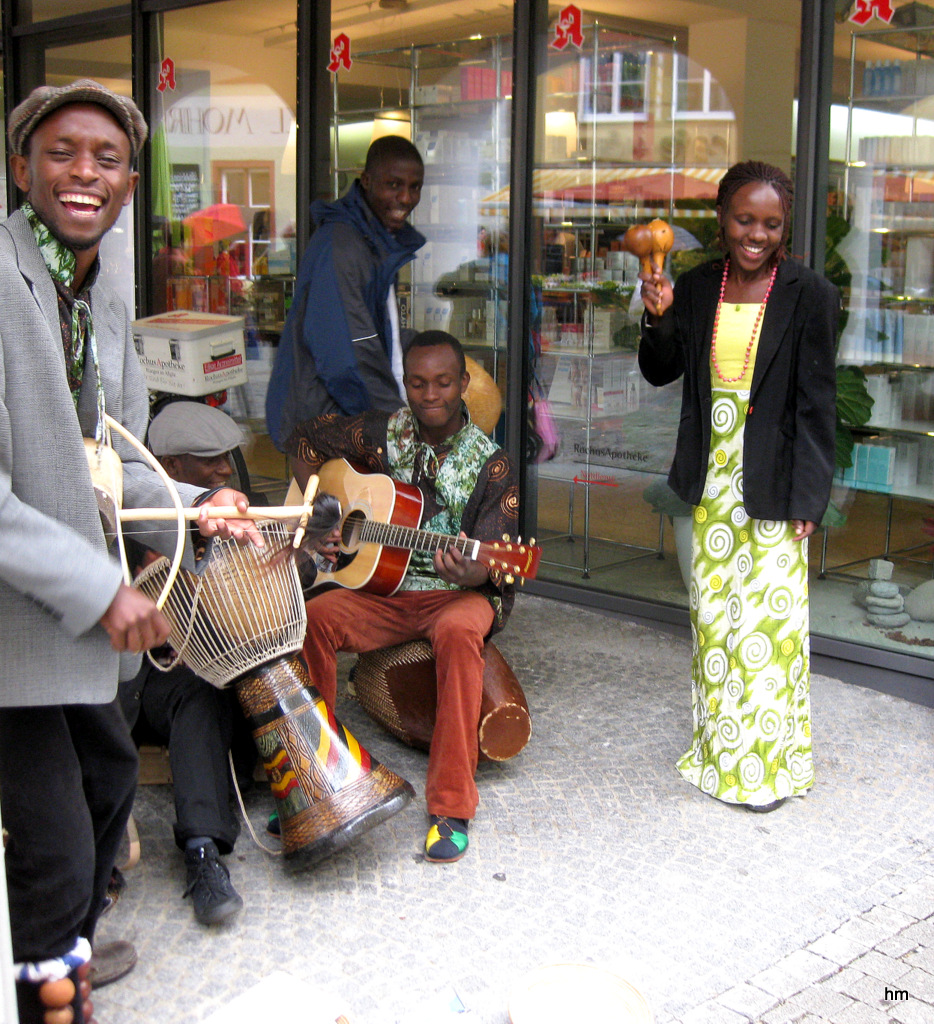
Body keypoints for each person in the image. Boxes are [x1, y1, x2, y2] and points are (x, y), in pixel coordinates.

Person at [0, 80, 261, 1024]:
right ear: (23, 166)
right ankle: (49, 985)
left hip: (70, 621)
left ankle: (56, 945)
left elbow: (114, 455)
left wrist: (199, 506)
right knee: (57, 844)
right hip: (12, 630)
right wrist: (104, 594)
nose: (84, 174)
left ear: (128, 184)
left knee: (111, 785)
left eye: (106, 160)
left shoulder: (103, 286)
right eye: (63, 153)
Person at [637, 161, 838, 812]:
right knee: (716, 628)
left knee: (769, 631)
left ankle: (767, 771)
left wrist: (811, 496)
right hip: (711, 482)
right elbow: (661, 371)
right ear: (722, 220)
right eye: (745, 220)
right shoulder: (695, 288)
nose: (757, 234)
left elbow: (816, 404)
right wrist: (657, 318)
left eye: (771, 224)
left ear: (785, 228)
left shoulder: (811, 294)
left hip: (776, 484)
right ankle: (720, 755)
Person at [287, 330, 518, 863]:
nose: (430, 395)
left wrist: (470, 573)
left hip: (454, 596)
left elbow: (500, 566)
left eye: (442, 383)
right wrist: (321, 512)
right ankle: (317, 782)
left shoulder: (494, 466)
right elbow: (303, 439)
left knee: (462, 633)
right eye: (417, 383)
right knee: (314, 618)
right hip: (383, 591)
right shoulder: (381, 434)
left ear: (464, 384)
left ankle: (451, 806)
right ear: (405, 384)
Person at [119, 402, 253, 927]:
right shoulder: (122, 520)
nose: (223, 469)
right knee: (189, 686)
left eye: (226, 457)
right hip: (128, 673)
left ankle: (203, 853)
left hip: (191, 667)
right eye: (208, 461)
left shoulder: (225, 509)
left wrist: (310, 550)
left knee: (204, 688)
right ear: (169, 468)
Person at [265, 135, 425, 449]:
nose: (406, 197)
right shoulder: (343, 245)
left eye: (415, 186)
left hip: (340, 420)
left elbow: (376, 338)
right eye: (394, 184)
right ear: (366, 181)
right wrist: (395, 428)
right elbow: (347, 356)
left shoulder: (375, 242)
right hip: (325, 425)